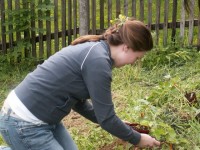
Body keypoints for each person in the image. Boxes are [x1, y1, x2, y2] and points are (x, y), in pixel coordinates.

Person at [0, 16, 160, 150]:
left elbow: (79, 103)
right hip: (23, 122)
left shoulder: (97, 52)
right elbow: (107, 120)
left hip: (42, 120)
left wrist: (119, 126)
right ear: (126, 47)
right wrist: (137, 139)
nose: (134, 62)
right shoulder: (98, 62)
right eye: (137, 57)